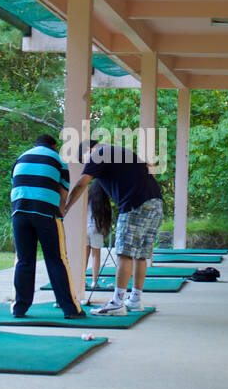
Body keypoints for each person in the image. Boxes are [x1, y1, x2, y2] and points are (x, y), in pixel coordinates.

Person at [63, 140, 163, 315]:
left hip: (134, 205)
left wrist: (65, 208)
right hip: (155, 203)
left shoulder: (98, 154)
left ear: (88, 150)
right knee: (140, 255)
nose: (87, 164)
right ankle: (135, 300)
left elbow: (81, 184)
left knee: (124, 252)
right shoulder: (122, 152)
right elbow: (148, 169)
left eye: (84, 160)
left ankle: (117, 302)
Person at [10, 133, 85, 319]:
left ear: (35, 144)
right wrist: (61, 213)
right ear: (54, 145)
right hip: (45, 213)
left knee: (24, 260)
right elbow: (63, 192)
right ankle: (70, 309)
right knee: (57, 259)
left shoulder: (21, 157)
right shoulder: (58, 159)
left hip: (19, 213)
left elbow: (16, 185)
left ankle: (19, 308)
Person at [84, 182, 113, 292]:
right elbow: (105, 219)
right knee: (96, 256)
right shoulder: (103, 201)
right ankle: (94, 281)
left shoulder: (87, 197)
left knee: (85, 257)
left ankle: (82, 280)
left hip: (85, 229)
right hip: (96, 230)